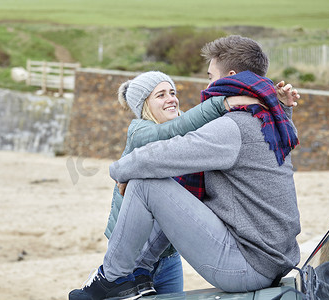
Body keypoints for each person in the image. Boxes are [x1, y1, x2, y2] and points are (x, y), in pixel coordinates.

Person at [70, 35, 301, 300]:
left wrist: (120, 171)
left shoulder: (234, 127)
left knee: (145, 183)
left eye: (211, 76)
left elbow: (165, 153)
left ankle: (111, 277)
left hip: (247, 266)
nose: (208, 83)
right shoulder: (271, 118)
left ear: (232, 76)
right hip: (274, 258)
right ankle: (139, 270)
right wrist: (282, 106)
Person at [104, 71, 267, 296]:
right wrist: (222, 103)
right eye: (160, 95)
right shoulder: (140, 132)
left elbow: (205, 127)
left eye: (172, 92)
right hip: (132, 258)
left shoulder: (185, 127)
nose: (171, 98)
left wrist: (274, 101)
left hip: (169, 255)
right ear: (144, 106)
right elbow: (175, 129)